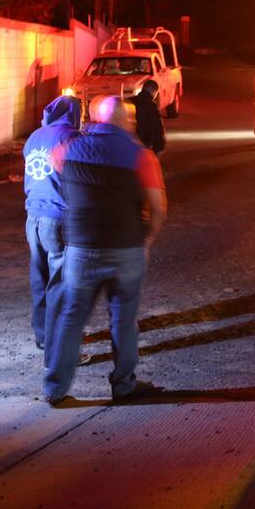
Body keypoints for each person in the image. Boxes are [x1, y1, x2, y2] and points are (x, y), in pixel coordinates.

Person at [42, 96, 167, 405]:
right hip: (126, 248)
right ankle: (124, 385)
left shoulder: (67, 148)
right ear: (126, 121)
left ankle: (55, 388)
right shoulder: (142, 157)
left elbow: (55, 176)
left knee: (72, 317)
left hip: (81, 248)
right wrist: (146, 240)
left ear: (96, 119)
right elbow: (158, 208)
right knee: (124, 319)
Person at [23, 95, 81, 361]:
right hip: (57, 217)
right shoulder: (71, 138)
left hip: (32, 216)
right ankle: (57, 343)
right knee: (59, 282)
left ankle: (43, 335)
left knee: (40, 277)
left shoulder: (34, 137)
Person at [129, 79, 165, 156]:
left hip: (129, 141)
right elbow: (157, 127)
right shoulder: (151, 106)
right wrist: (159, 146)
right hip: (144, 144)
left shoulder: (130, 101)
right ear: (154, 92)